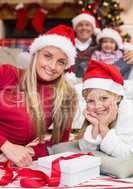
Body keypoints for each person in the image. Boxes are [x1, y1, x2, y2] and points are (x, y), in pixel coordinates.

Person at [0, 25, 77, 167]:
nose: (52, 66)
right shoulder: (7, 74)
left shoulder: (65, 95)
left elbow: (59, 144)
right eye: (48, 56)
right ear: (35, 54)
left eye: (61, 62)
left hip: (9, 162)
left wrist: (30, 151)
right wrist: (6, 146)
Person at [77, 59, 133, 159]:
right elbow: (85, 150)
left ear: (118, 97)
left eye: (104, 98)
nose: (97, 106)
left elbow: (126, 155)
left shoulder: (128, 113)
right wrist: (95, 125)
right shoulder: (98, 114)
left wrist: (103, 126)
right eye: (90, 101)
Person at [70, 11, 133, 81]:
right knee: (84, 65)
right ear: (75, 28)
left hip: (112, 71)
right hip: (90, 74)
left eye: (87, 25)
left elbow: (122, 46)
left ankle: (112, 74)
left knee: (126, 60)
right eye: (80, 25)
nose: (84, 28)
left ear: (93, 28)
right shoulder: (69, 43)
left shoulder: (98, 41)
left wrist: (132, 52)